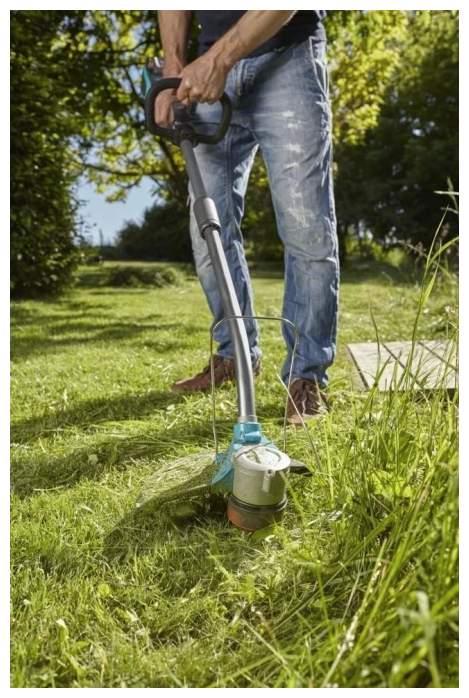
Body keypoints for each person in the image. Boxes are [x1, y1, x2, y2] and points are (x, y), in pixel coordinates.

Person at [156, 10, 339, 424]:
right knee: (208, 232)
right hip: (204, 73)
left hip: (286, 56)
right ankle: (235, 355)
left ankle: (306, 377)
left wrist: (219, 61)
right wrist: (173, 65)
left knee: (305, 226)